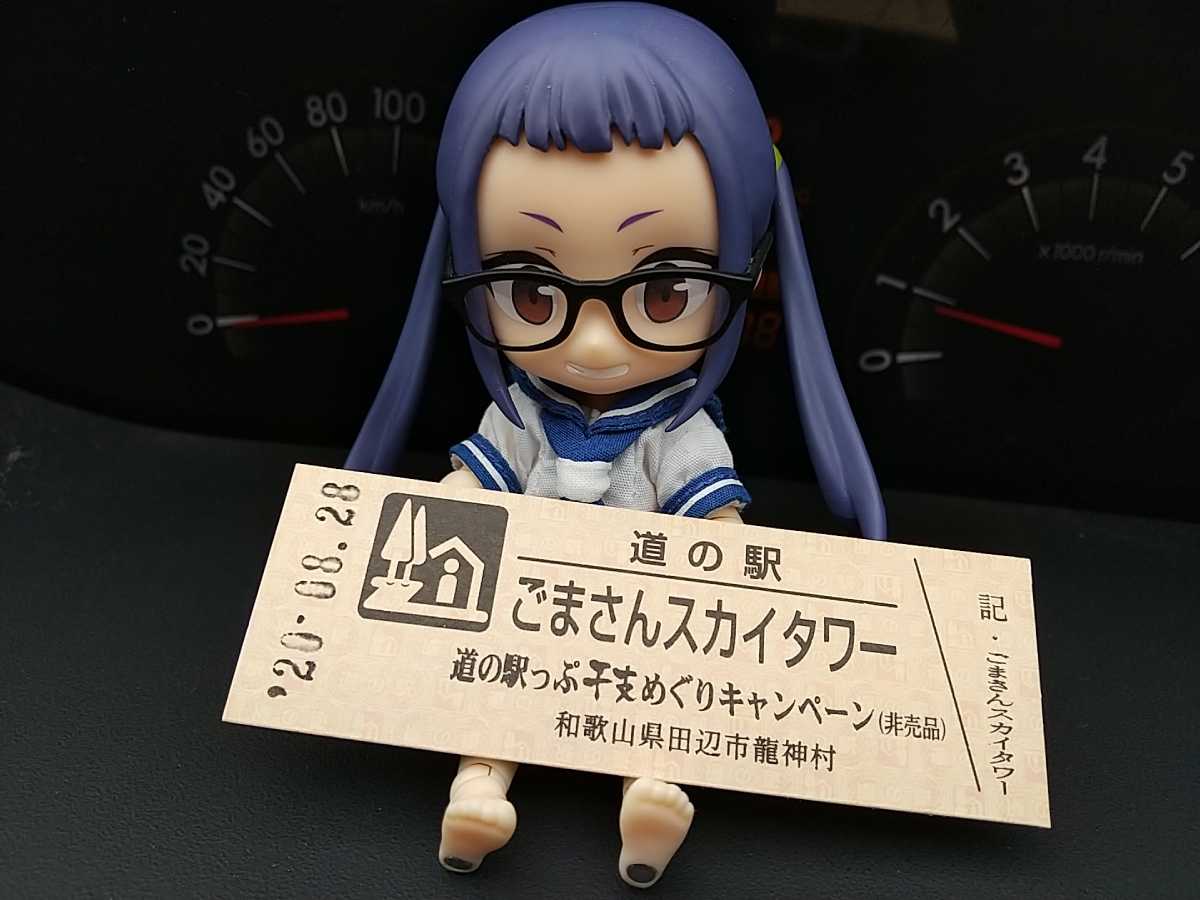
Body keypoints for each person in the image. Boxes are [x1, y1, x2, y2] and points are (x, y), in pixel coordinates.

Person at [347, 2, 885, 887]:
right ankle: (479, 788)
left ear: (746, 264)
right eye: (531, 292)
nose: (593, 344)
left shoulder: (675, 429)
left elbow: (715, 518)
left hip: (642, 627)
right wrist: (429, 518)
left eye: (664, 292)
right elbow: (472, 484)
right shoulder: (523, 414)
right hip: (521, 615)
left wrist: (736, 574)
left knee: (659, 704)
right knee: (488, 694)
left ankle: (649, 794)